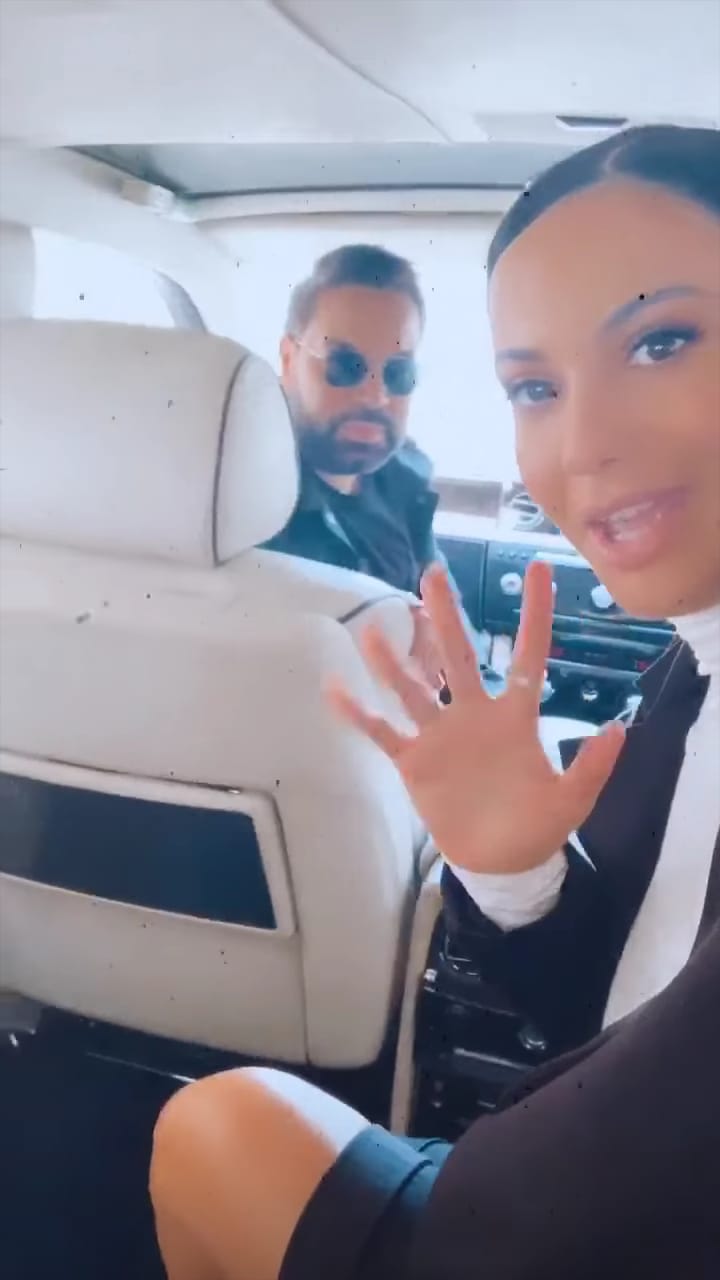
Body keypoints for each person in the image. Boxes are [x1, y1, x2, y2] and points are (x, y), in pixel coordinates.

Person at [149, 125, 720, 1279]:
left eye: (662, 341)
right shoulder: (691, 666)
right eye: (535, 387)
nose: (583, 445)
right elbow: (640, 1007)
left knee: (220, 1129)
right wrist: (515, 872)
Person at [263, 242, 497, 688]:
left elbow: (459, 649)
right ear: (289, 360)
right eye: (345, 366)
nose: (375, 396)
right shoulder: (252, 503)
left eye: (398, 372)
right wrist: (401, 621)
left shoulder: (402, 486)